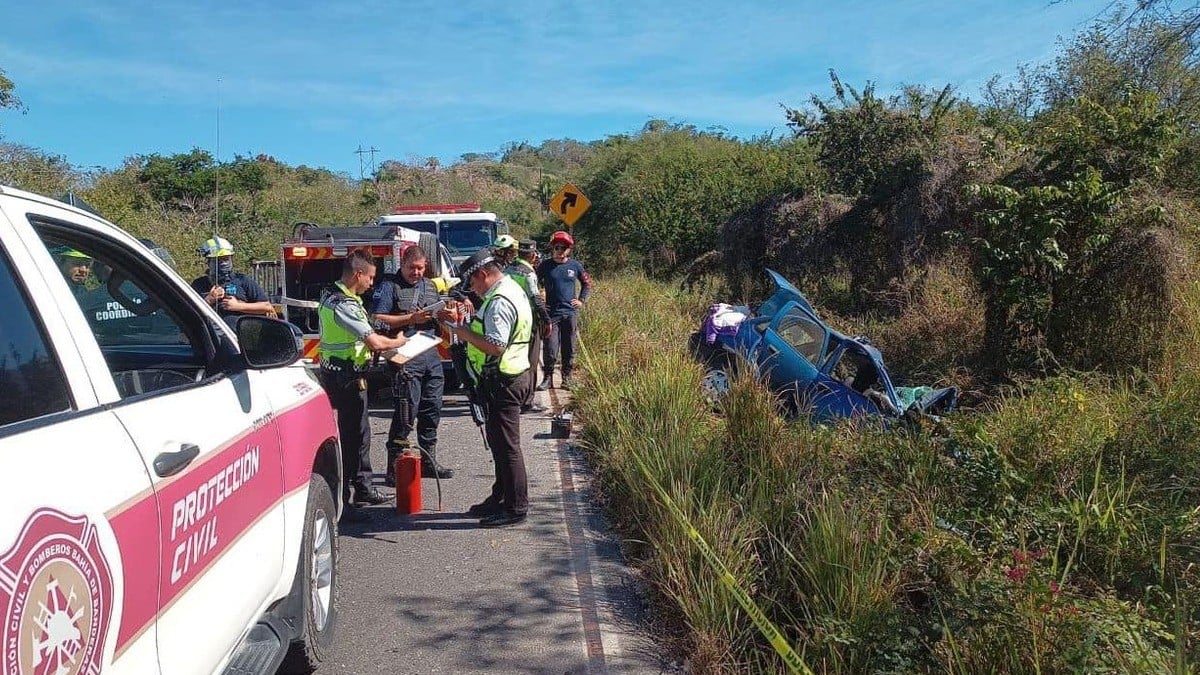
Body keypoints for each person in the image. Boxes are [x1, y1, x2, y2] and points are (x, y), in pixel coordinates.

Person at [438, 250, 532, 527]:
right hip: (507, 375)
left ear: (483, 274)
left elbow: (495, 344)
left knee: (507, 447)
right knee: (499, 444)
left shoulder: (500, 301)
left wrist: (459, 330)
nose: (474, 290)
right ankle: (500, 497)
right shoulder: (509, 288)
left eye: (474, 284)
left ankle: (516, 508)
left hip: (504, 378)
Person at [317, 250, 409, 516]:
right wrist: (399, 342)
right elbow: (375, 342)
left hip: (346, 374)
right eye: (370, 277)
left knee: (361, 434)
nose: (372, 283)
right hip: (345, 378)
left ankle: (363, 488)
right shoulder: (343, 304)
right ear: (358, 274)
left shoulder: (338, 296)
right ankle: (344, 502)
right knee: (352, 438)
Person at [369, 244, 454, 484]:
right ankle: (394, 466)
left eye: (420, 268)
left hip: (430, 357)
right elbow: (377, 318)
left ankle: (428, 461)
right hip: (404, 359)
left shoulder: (429, 286)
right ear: (402, 265)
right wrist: (410, 319)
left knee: (431, 410)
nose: (416, 273)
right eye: (411, 269)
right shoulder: (390, 286)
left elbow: (437, 314)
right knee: (406, 413)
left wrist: (444, 315)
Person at [493, 235, 551, 413]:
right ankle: (527, 401)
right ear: (532, 255)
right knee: (531, 362)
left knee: (512, 358)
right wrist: (547, 320)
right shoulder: (529, 273)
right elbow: (535, 298)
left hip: (511, 321)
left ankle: (510, 395)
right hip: (528, 322)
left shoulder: (508, 269)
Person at [536, 230, 592, 390]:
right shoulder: (545, 266)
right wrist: (540, 298)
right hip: (551, 314)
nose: (560, 251)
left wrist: (581, 300)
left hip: (570, 313)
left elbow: (587, 283)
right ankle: (548, 378)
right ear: (552, 248)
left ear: (569, 249)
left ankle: (567, 378)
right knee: (551, 348)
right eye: (557, 247)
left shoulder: (575, 266)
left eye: (564, 248)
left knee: (569, 348)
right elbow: (534, 283)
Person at [191, 236, 275, 323]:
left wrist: (238, 306)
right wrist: (209, 300)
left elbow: (266, 307)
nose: (223, 263)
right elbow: (189, 313)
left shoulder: (242, 280)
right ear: (208, 262)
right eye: (218, 260)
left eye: (226, 259)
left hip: (235, 335)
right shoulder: (198, 284)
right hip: (208, 335)